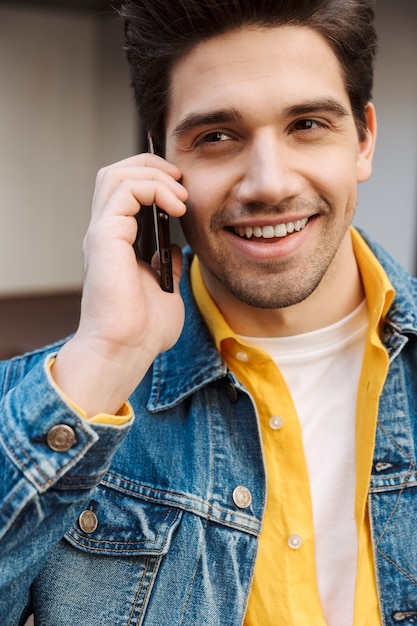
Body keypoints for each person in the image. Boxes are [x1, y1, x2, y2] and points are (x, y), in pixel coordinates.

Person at [1, 0, 417, 624]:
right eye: (216, 137)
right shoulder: (65, 397)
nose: (269, 184)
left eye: (306, 124)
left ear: (363, 139)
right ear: (158, 163)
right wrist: (107, 357)